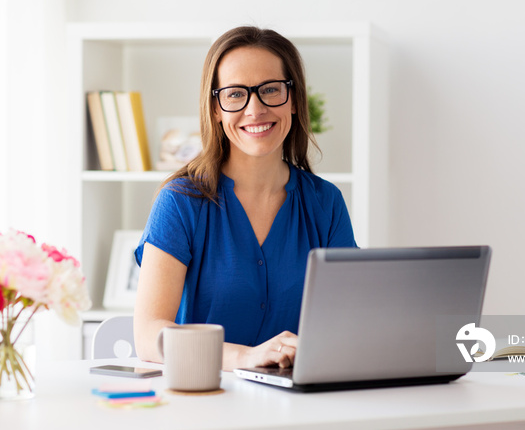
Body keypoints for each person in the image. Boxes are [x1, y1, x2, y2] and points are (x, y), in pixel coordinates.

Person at [133, 26, 357, 371]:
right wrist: (245, 357)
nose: (255, 109)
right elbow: (149, 335)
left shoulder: (326, 203)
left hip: (301, 408)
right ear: (216, 108)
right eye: (236, 94)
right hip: (207, 403)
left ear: (294, 99)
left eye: (270, 89)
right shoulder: (180, 202)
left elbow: (349, 321)